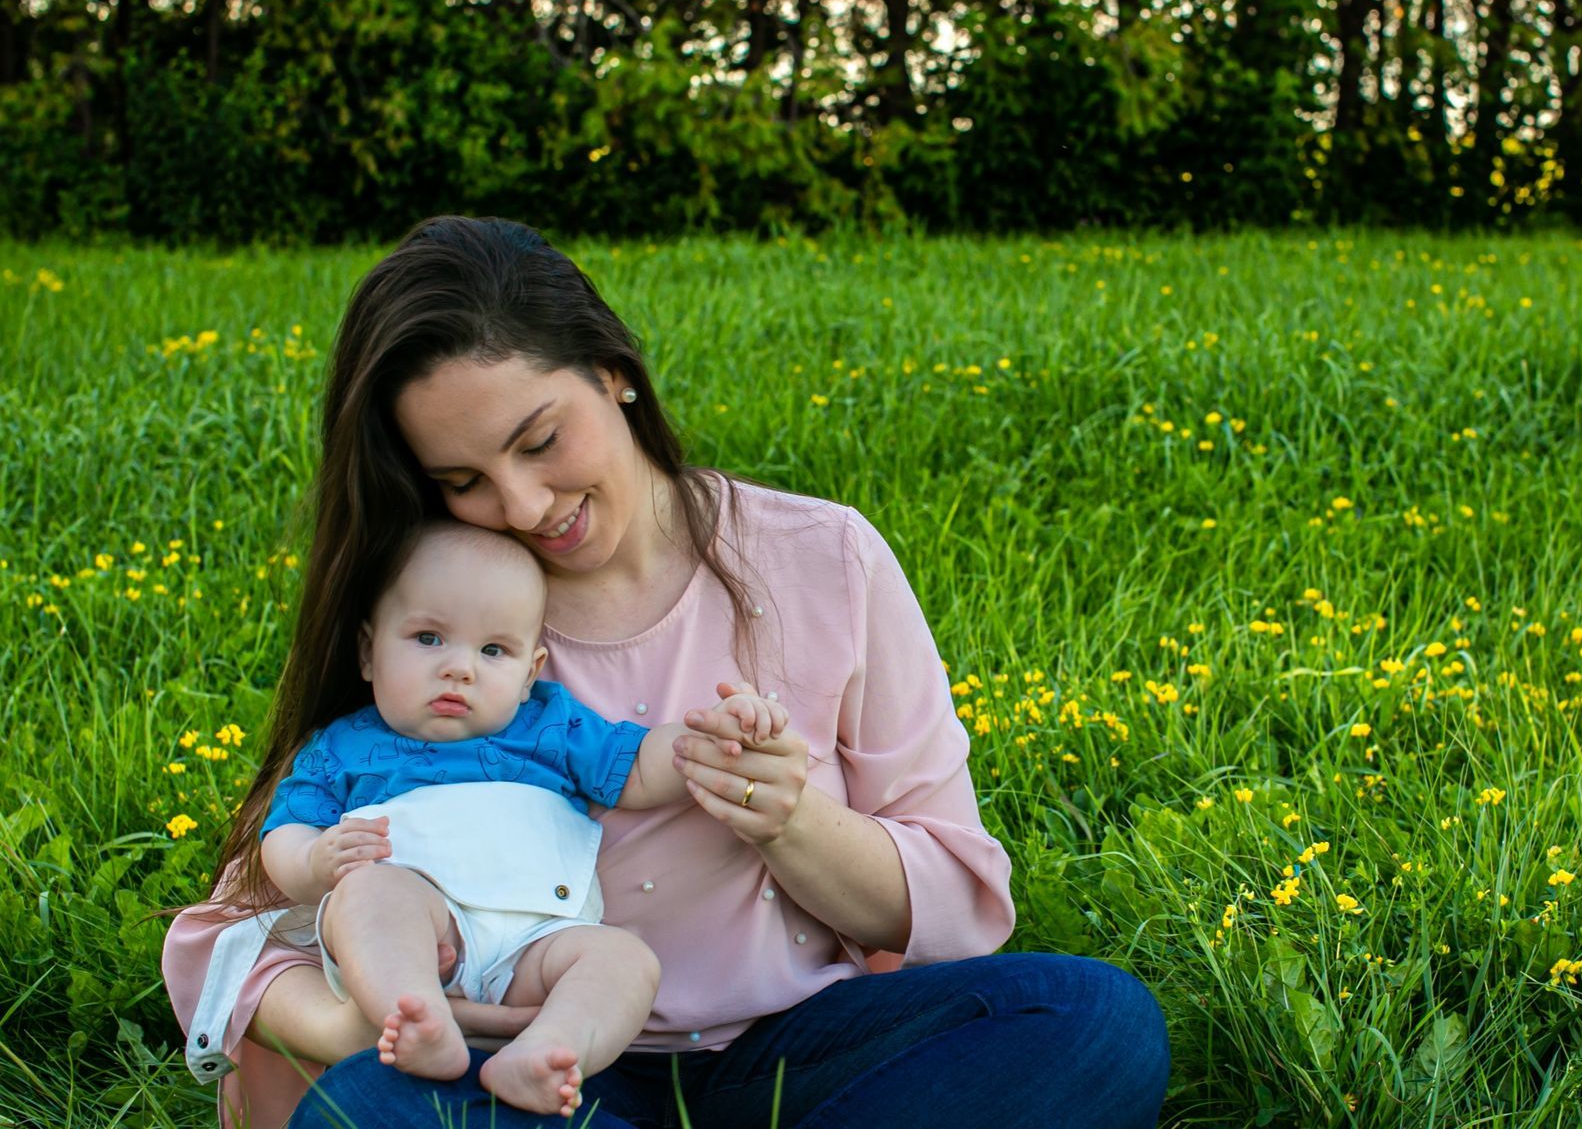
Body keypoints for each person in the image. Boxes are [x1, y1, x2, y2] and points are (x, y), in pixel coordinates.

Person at [163, 215, 1171, 1128]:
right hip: (541, 1069)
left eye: (540, 441)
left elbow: (960, 906)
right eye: (463, 480)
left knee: (1093, 1020)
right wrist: (359, 1026)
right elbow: (224, 936)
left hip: (801, 1046)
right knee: (371, 1108)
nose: (521, 505)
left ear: (614, 372)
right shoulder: (443, 614)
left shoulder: (824, 557)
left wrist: (790, 820)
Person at [253, 518, 787, 1116]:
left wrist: (707, 742)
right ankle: (415, 1012)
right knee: (370, 894)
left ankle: (548, 1051)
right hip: (425, 923)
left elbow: (638, 766)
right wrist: (313, 861)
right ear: (367, 652)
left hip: (540, 938)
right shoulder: (343, 745)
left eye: (492, 651)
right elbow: (285, 831)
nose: (460, 668)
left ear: (530, 673)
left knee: (624, 960)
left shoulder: (549, 724)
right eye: (428, 638)